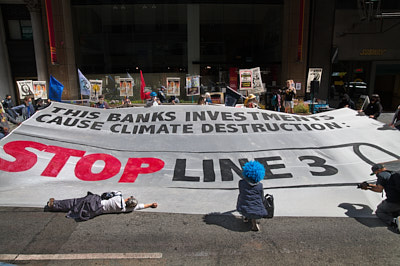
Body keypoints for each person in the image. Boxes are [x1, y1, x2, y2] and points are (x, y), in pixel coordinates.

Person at [45, 191, 158, 222]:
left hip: (95, 202)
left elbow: (107, 194)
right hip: (96, 211)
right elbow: (141, 206)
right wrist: (151, 205)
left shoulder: (118, 197)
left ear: (128, 199)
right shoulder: (124, 209)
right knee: (76, 207)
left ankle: (54, 205)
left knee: (74, 202)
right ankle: (56, 206)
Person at [360, 164, 400, 233]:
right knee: (393, 210)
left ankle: (394, 221)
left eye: (375, 173)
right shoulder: (392, 174)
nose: (375, 174)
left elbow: (379, 189)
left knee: (380, 211)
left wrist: (367, 188)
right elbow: (382, 185)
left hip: (393, 201)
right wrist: (369, 185)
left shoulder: (381, 175)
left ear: (378, 170)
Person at [236, 160, 268, 231]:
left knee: (242, 198)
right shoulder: (260, 186)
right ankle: (254, 223)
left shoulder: (241, 183)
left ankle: (246, 217)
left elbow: (241, 194)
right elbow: (262, 198)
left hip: (243, 208)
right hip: (258, 212)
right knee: (255, 204)